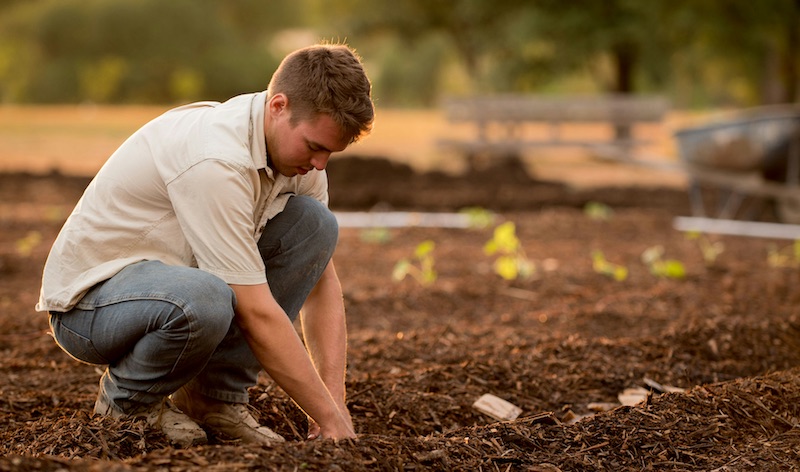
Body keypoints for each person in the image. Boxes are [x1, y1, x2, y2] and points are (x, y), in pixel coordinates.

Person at [35, 43, 374, 447]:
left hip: (173, 287)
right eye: (315, 146)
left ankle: (213, 399)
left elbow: (320, 282)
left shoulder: (298, 162)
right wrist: (324, 416)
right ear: (278, 106)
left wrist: (335, 405)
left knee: (315, 226)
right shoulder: (216, 160)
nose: (320, 164)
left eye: (330, 152)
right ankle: (128, 404)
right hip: (90, 306)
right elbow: (256, 313)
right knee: (206, 298)